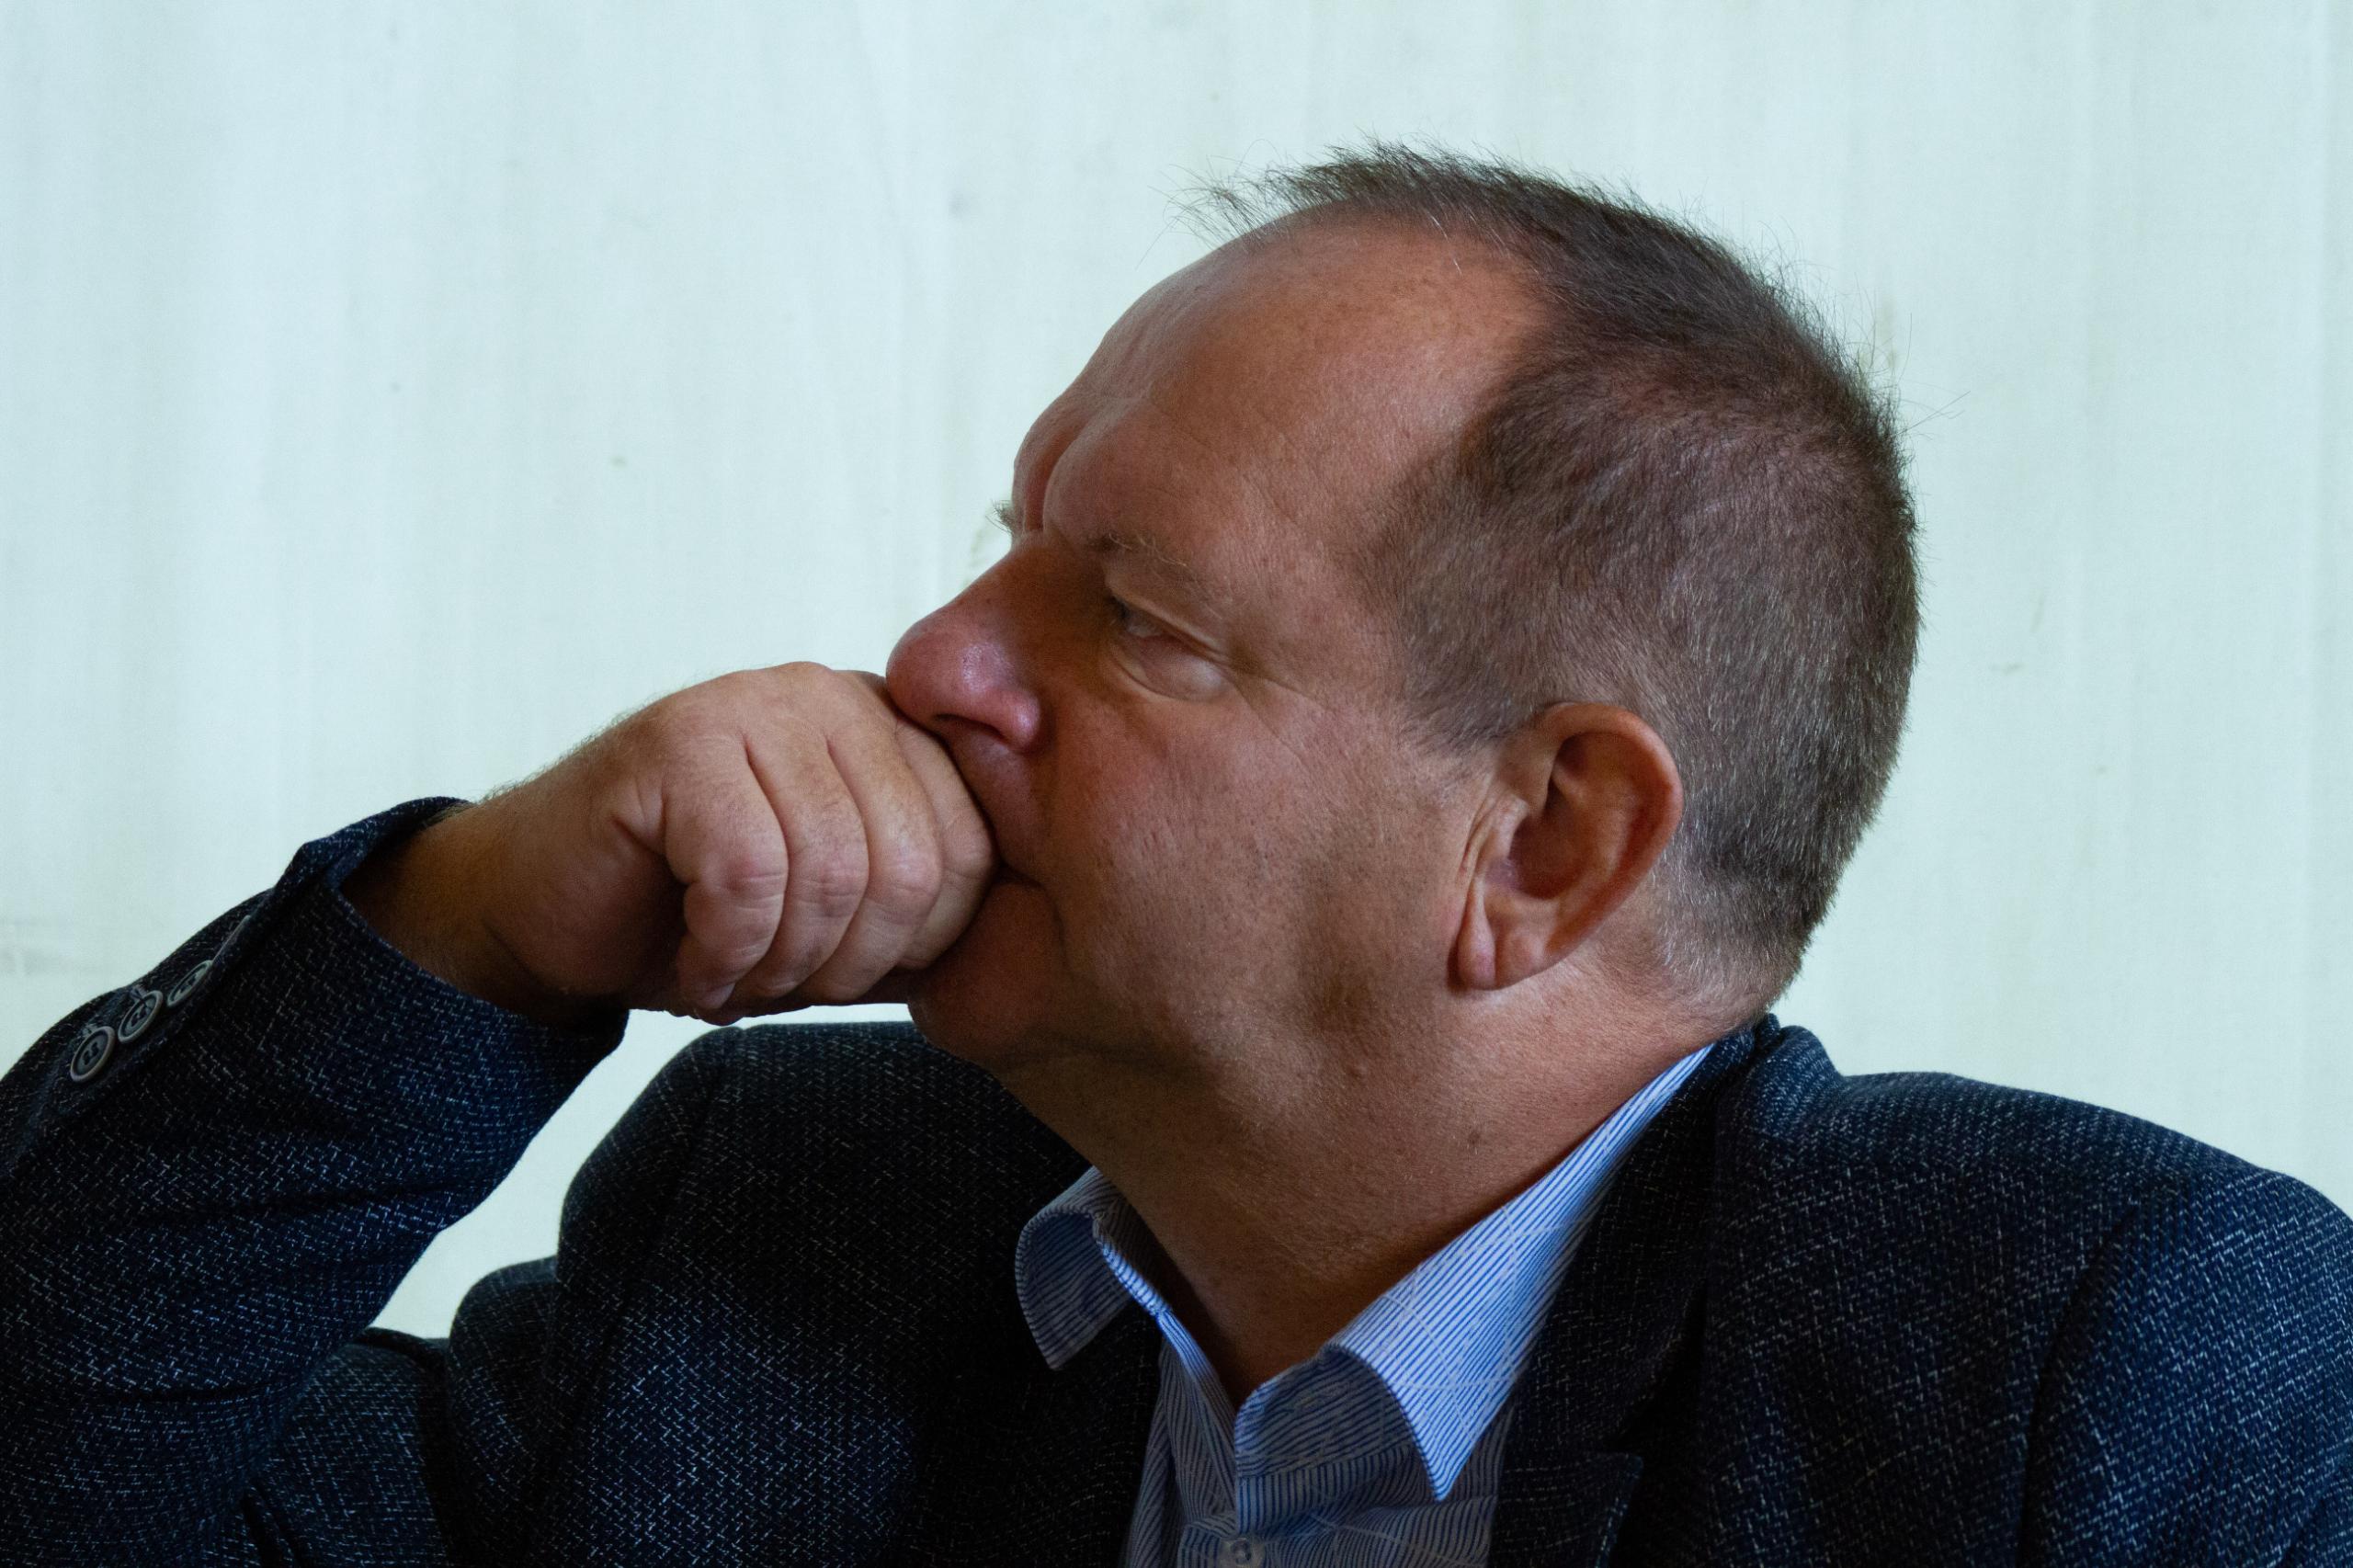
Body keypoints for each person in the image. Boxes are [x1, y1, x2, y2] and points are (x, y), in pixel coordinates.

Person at [3, 140, 2346, 1567]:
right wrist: (472, 932)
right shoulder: (790, 1222)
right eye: (1004, 545)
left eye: (1131, 617)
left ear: (1541, 840)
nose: (932, 661)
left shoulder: (2100, 1371)